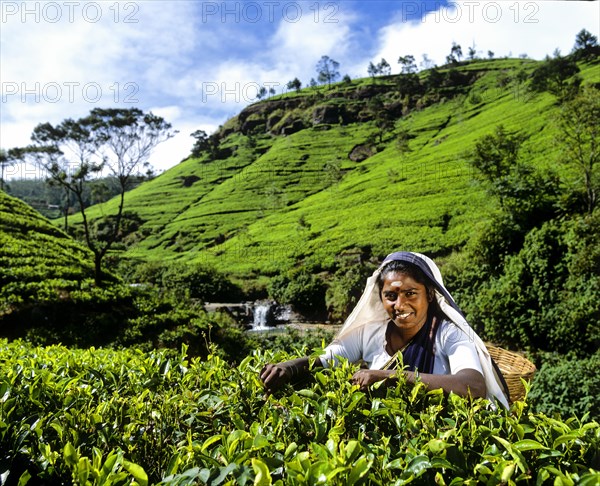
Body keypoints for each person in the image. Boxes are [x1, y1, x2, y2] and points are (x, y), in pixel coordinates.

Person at [260, 251, 510, 409]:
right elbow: (326, 361)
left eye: (411, 294)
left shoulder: (447, 334)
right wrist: (289, 367)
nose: (400, 305)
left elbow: (473, 386)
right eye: (391, 296)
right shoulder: (369, 333)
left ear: (430, 295)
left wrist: (389, 377)